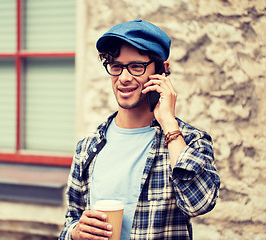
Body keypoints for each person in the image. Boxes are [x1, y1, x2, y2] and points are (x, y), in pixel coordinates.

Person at [59, 19, 220, 240]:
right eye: (116, 66)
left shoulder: (189, 140)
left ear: (162, 71)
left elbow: (199, 204)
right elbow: (70, 221)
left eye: (136, 66)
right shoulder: (88, 146)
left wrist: (169, 123)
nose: (124, 78)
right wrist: (76, 233)